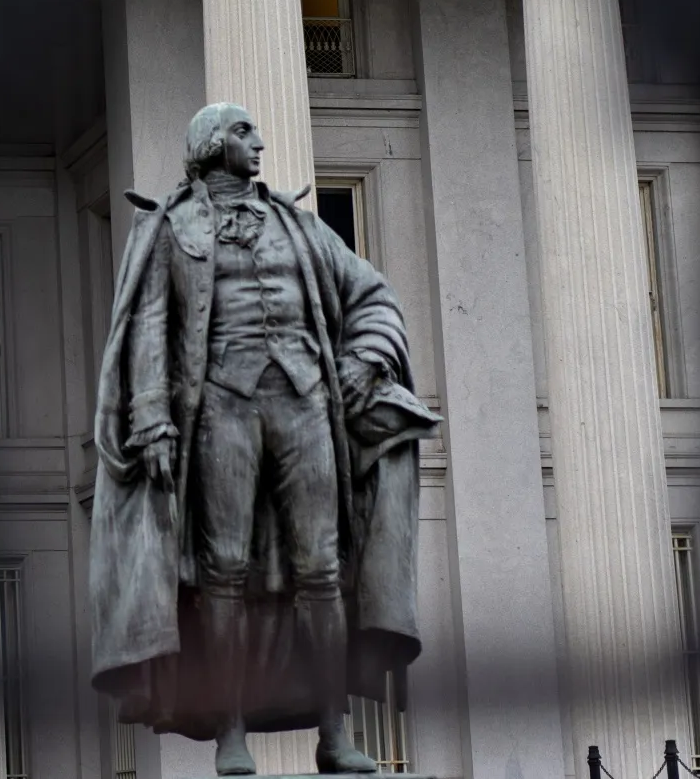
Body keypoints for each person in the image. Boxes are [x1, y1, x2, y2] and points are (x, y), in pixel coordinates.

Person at [89, 104, 439, 776]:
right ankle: (230, 730)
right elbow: (149, 327)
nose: (260, 143)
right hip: (221, 407)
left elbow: (373, 296)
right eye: (245, 132)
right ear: (212, 144)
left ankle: (334, 733)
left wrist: (364, 360)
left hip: (307, 405)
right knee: (222, 571)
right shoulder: (170, 227)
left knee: (323, 569)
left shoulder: (300, 226)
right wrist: (153, 418)